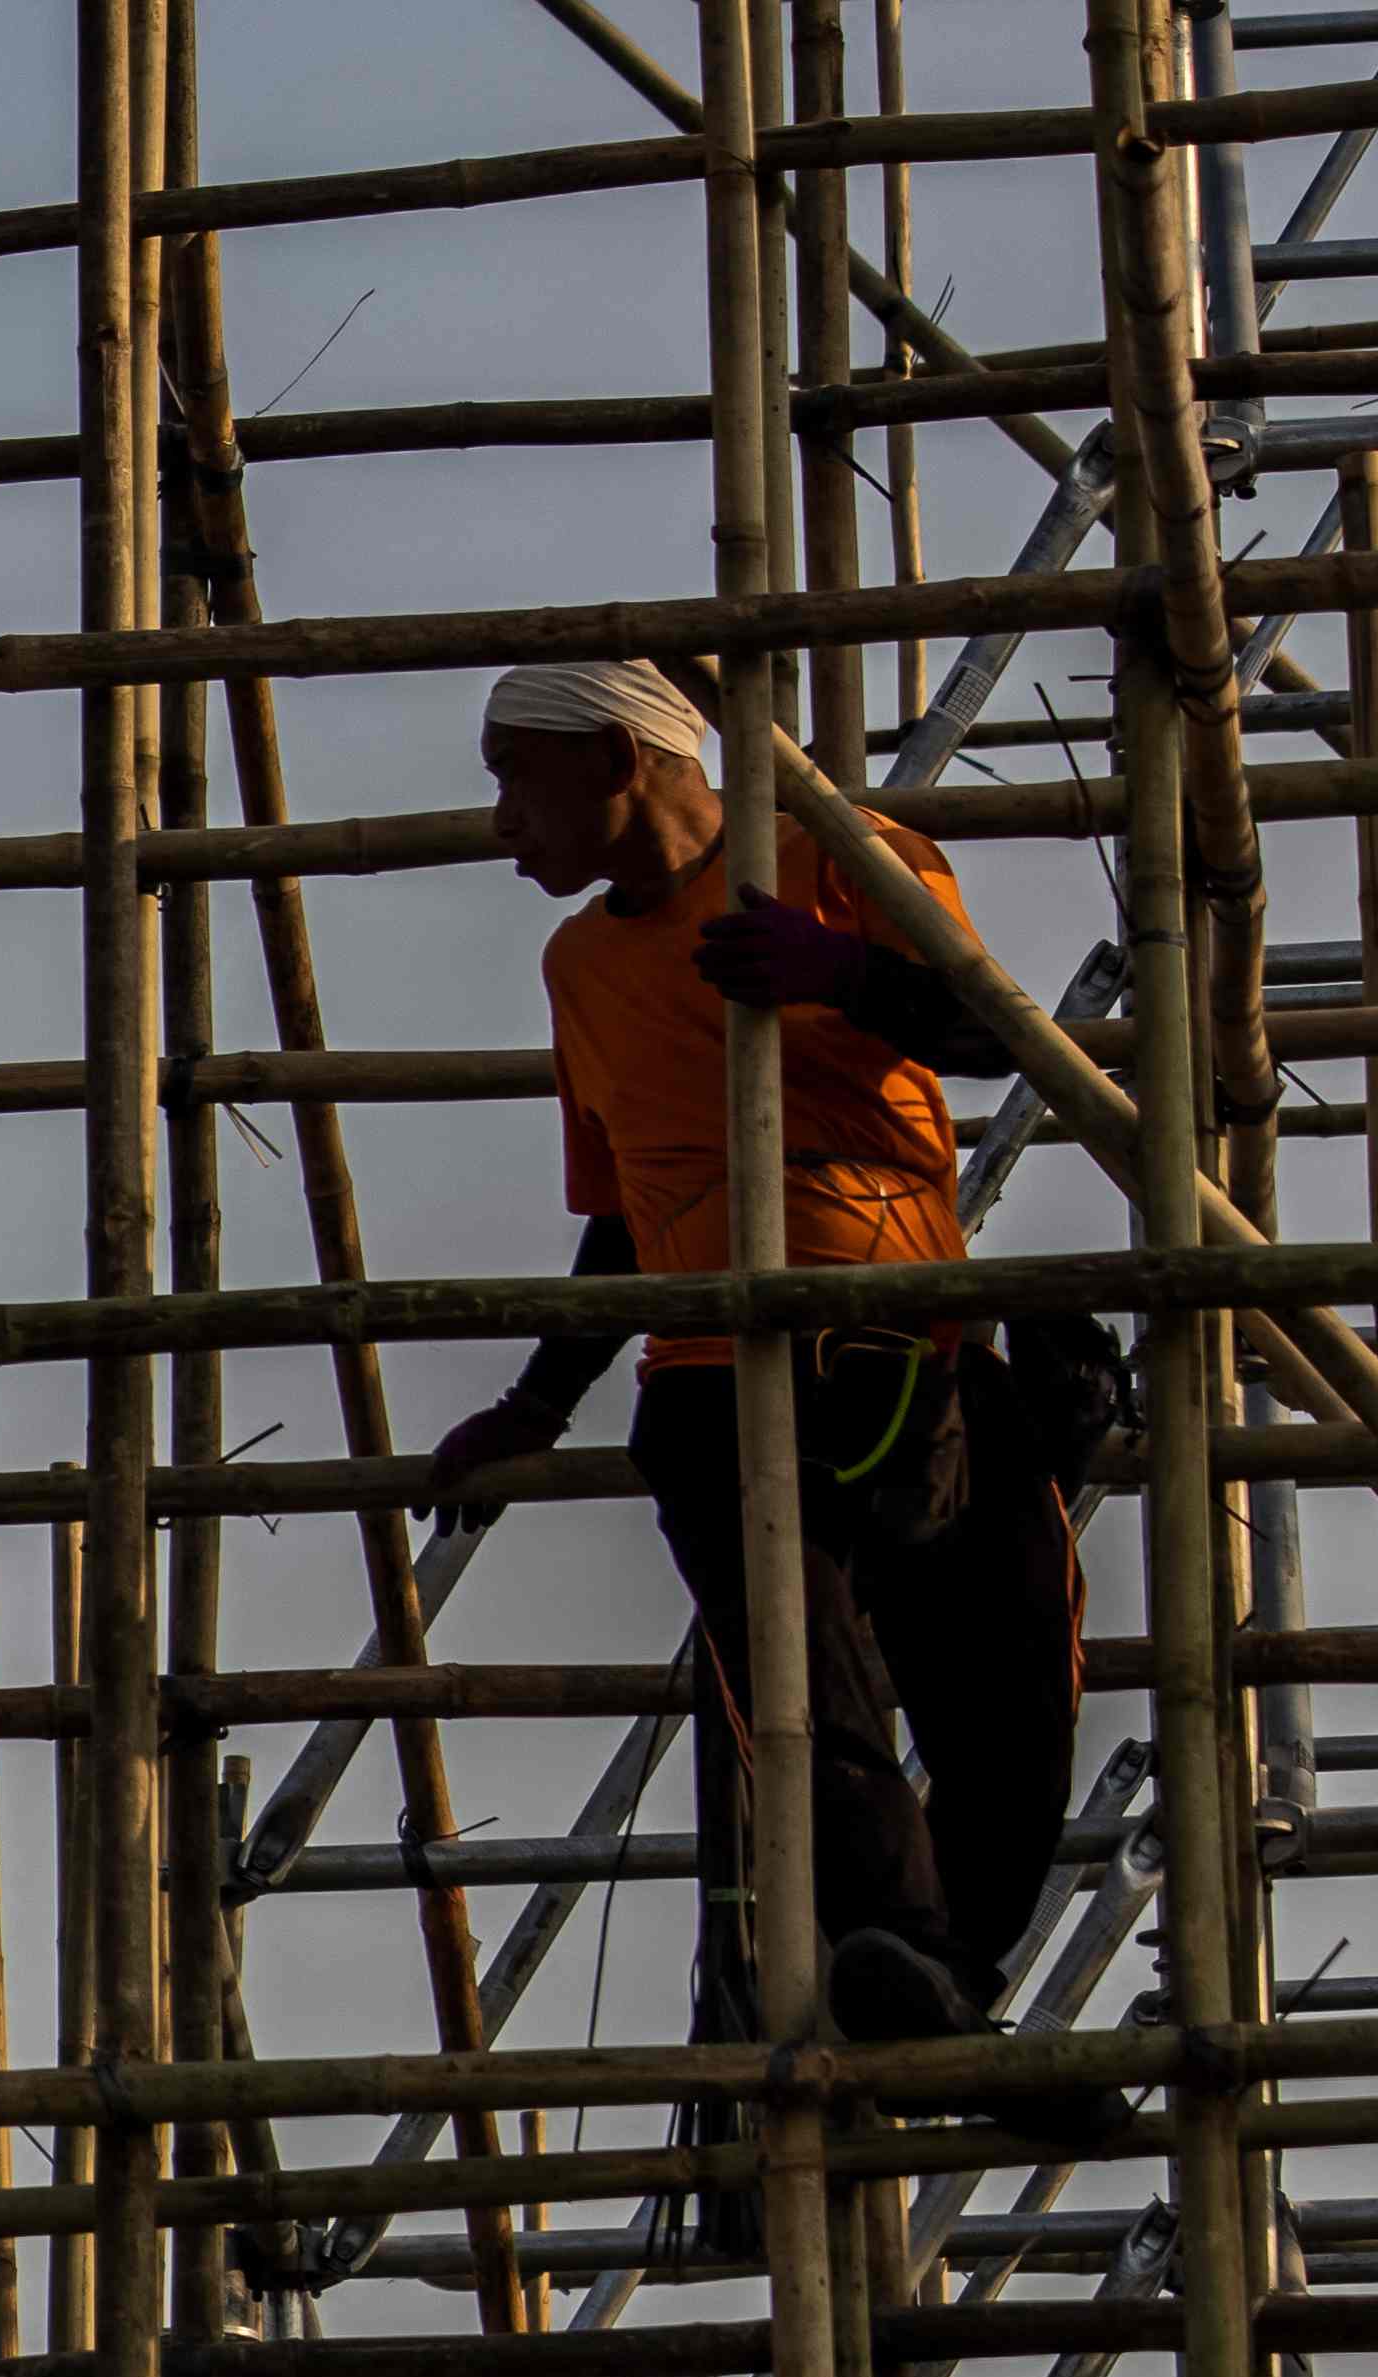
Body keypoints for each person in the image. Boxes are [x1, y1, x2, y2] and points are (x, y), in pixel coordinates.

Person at [422, 657, 1084, 2064]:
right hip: (718, 1375)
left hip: (913, 1340)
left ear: (614, 759)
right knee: (802, 1697)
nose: (496, 822)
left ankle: (939, 1974)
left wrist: (848, 971)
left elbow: (997, 1035)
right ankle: (898, 1963)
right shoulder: (585, 966)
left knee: (1013, 1685)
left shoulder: (842, 857)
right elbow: (625, 1213)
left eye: (511, 777)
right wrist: (535, 1398)